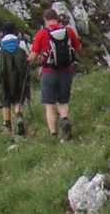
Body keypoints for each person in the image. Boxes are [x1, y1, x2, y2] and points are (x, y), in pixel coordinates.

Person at [27, 8, 82, 140]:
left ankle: (53, 133)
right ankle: (65, 119)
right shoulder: (68, 31)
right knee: (62, 102)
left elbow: (33, 56)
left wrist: (27, 60)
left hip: (48, 73)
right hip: (66, 71)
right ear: (57, 18)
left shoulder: (41, 33)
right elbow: (79, 48)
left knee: (49, 105)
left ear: (45, 20)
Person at [0, 21, 30, 135]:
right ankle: (19, 117)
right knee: (18, 98)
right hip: (19, 78)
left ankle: (7, 126)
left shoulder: (0, 46)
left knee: (5, 101)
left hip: (4, 79)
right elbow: (27, 58)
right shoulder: (20, 43)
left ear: (3, 32)